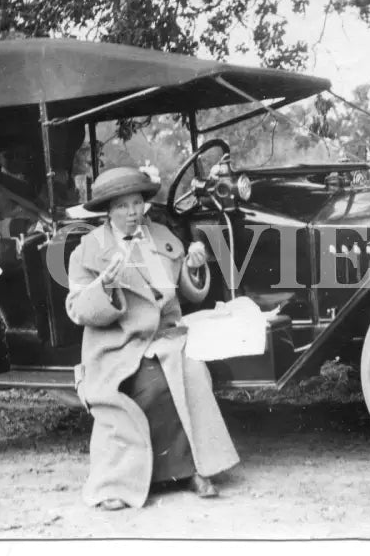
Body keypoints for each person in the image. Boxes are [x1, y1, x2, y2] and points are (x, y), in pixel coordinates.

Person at [65, 166, 239, 510]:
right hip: (117, 347)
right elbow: (78, 309)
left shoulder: (161, 236)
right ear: (107, 211)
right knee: (154, 380)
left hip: (167, 337)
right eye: (121, 206)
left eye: (136, 204)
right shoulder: (87, 251)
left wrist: (193, 266)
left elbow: (185, 297)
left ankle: (196, 469)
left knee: (191, 371)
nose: (132, 213)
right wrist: (106, 287)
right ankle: (124, 480)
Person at [0, 145, 51, 237]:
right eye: (9, 156)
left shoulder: (35, 186)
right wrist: (23, 227)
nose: (16, 160)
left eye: (21, 155)